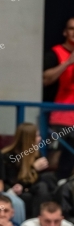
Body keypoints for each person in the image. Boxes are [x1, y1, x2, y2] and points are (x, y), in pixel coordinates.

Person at [2, 123, 58, 219]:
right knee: (42, 187)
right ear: (28, 139)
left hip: (32, 188)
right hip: (15, 190)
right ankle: (40, 220)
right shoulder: (9, 156)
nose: (40, 139)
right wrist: (33, 169)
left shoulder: (36, 154)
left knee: (48, 178)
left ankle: (52, 215)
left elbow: (38, 179)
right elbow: (16, 185)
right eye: (36, 136)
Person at [43, 17, 74, 178]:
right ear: (65, 32)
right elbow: (46, 79)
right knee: (55, 162)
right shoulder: (55, 53)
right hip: (60, 118)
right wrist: (68, 63)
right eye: (72, 29)